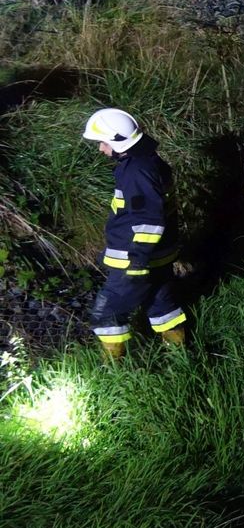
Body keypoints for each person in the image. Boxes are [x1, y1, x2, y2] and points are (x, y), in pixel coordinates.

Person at [82, 108, 186, 359]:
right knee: (160, 302)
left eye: (102, 143)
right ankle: (178, 356)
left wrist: (137, 258)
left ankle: (112, 368)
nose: (100, 149)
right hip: (159, 255)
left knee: (107, 313)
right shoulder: (150, 162)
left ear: (119, 141)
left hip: (137, 258)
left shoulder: (135, 172)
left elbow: (148, 220)